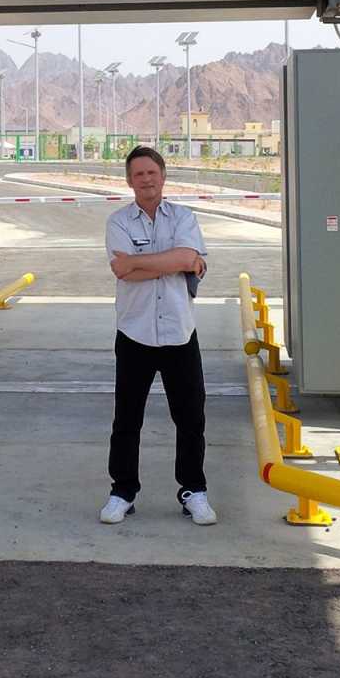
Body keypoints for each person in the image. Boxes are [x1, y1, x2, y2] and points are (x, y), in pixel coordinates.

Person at [99, 146, 216, 526]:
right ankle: (123, 492)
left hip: (180, 334)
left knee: (191, 418)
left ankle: (193, 490)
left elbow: (187, 260)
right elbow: (124, 272)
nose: (146, 179)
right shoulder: (118, 222)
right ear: (129, 181)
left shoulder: (184, 217)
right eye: (138, 174)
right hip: (134, 334)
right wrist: (172, 263)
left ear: (163, 176)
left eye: (152, 172)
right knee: (127, 419)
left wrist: (138, 261)